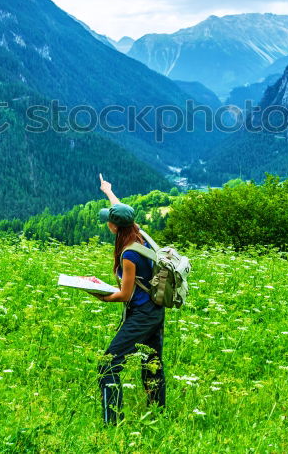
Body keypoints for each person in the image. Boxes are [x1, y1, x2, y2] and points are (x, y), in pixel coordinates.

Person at [93, 173, 166, 425]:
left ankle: (112, 422)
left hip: (143, 314)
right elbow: (121, 210)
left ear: (114, 227)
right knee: (151, 363)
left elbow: (124, 294)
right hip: (155, 311)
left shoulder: (128, 255)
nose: (107, 224)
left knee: (108, 364)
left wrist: (99, 294)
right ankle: (158, 415)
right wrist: (108, 190)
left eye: (109, 222)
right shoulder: (139, 234)